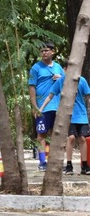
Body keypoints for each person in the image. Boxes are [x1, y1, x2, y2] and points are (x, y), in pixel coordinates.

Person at [40, 62, 90, 175]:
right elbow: (50, 95)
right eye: (69, 69)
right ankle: (69, 165)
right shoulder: (60, 81)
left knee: (82, 138)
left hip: (81, 115)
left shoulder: (82, 80)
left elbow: (88, 96)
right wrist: (41, 108)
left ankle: (85, 166)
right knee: (71, 138)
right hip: (67, 115)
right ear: (65, 69)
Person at [28, 42, 65, 172]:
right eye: (42, 51)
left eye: (46, 51)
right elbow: (31, 87)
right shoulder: (35, 68)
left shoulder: (58, 67)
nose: (44, 53)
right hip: (43, 107)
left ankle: (55, 161)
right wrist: (34, 106)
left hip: (58, 106)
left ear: (52, 52)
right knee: (41, 134)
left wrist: (60, 78)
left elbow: (66, 84)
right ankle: (42, 162)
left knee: (57, 135)